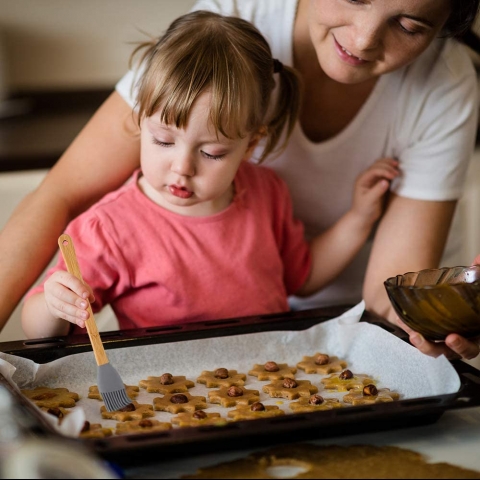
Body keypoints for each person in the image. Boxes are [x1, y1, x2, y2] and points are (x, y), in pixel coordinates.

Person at [2, 0, 479, 359]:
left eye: (211, 152)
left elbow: (304, 277)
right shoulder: (109, 226)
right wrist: (57, 303)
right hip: (163, 373)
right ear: (139, 121)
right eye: (163, 142)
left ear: (252, 145)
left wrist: (364, 226)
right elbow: (43, 322)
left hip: (277, 362)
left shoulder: (266, 193)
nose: (362, 40)